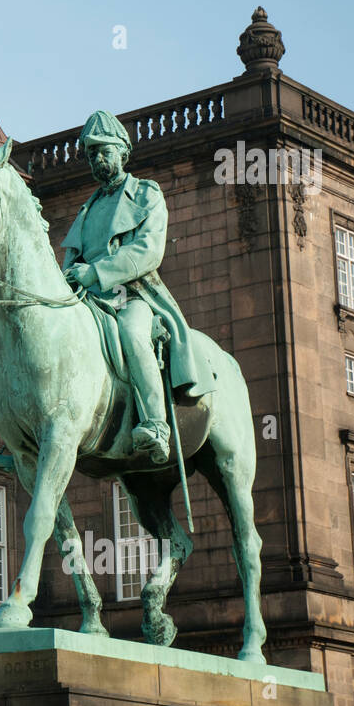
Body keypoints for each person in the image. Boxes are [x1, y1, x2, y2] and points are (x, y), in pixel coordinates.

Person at [60, 110, 215, 463]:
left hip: (134, 295)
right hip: (88, 300)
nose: (97, 159)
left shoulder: (145, 194)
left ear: (121, 151)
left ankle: (156, 425)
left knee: (132, 334)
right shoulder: (87, 209)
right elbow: (71, 259)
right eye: (91, 154)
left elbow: (148, 251)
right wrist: (67, 280)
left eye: (104, 151)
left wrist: (95, 272)